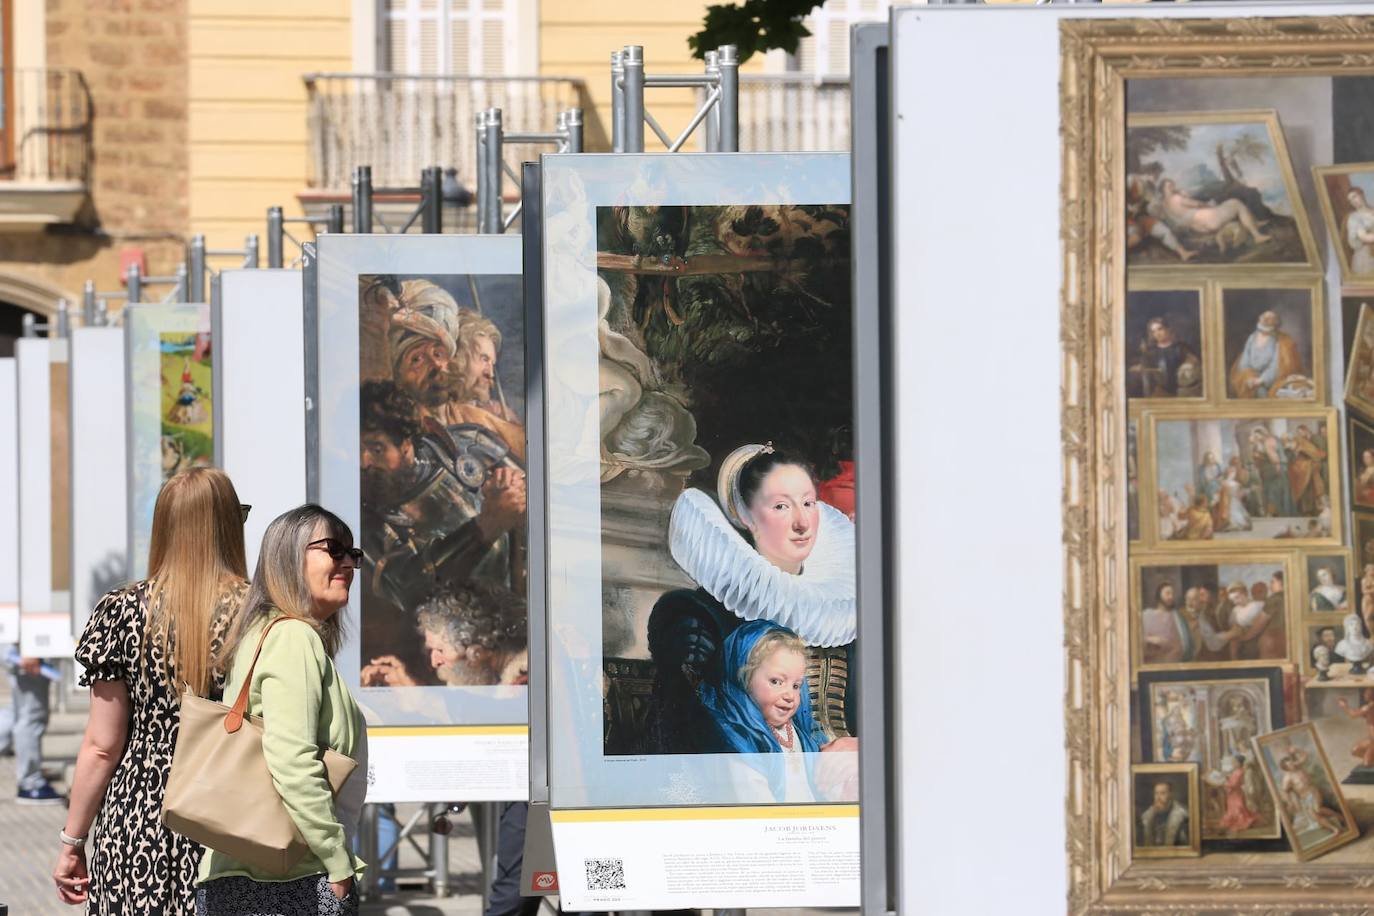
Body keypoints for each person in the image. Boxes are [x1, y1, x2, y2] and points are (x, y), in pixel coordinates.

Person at [53, 468, 250, 912]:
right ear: (228, 527)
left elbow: (103, 746)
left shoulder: (122, 610)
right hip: (232, 816)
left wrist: (72, 840)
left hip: (139, 815)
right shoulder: (259, 613)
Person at [197, 505, 367, 914]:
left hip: (249, 874)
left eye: (353, 554)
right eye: (333, 549)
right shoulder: (292, 637)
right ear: (288, 556)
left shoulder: (267, 631)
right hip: (287, 881)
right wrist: (338, 863)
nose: (348, 562)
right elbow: (292, 759)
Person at [645, 444, 857, 762]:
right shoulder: (697, 615)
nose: (803, 523)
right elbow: (697, 731)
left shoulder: (843, 615)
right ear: (746, 515)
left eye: (808, 503)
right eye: (781, 507)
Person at [358, 379, 526, 612]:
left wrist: (512, 488)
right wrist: (487, 526)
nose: (363, 462)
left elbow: (538, 498)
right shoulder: (363, 516)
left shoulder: (469, 444)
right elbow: (407, 588)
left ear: (406, 444)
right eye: (357, 450)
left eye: (376, 449)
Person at [360, 583, 528, 687]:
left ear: (479, 651)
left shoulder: (522, 683)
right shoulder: (504, 679)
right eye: (432, 651)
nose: (434, 662)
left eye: (440, 650)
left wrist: (421, 700)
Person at [1, 646, 60, 804]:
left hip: (23, 645)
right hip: (27, 646)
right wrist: (30, 648)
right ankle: (30, 784)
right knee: (31, 716)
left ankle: (30, 781)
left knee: (17, 714)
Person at [1159, 177, 1271, 247]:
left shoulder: (1164, 204)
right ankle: (1257, 236)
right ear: (1163, 188)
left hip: (1200, 227)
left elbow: (1179, 217)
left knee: (1223, 204)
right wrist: (1208, 205)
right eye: (1169, 185)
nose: (1172, 187)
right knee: (1235, 202)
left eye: (1172, 185)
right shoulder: (1176, 198)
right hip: (1211, 220)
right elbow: (1197, 204)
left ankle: (1253, 223)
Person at [1230, 311, 1307, 400]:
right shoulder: (1252, 338)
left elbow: (1276, 367)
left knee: (1261, 392)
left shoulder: (1280, 341)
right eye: (1263, 319)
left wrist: (1261, 380)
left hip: (1272, 380)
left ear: (1274, 326)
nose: (1263, 332)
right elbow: (1244, 362)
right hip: (1250, 377)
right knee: (1249, 390)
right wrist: (1249, 377)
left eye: (1269, 321)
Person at [1128, 316, 1202, 398]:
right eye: (1153, 331)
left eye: (1160, 329)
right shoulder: (1151, 352)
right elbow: (1148, 369)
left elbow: (1194, 365)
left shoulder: (1181, 348)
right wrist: (1141, 368)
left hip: (1182, 392)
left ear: (1167, 329)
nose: (1157, 334)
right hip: (1159, 393)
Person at [1203, 755, 1259, 834]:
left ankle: (1244, 822)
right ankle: (1235, 822)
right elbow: (1231, 780)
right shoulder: (1236, 771)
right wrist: (1226, 778)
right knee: (1232, 808)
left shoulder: (1240, 771)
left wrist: (1223, 782)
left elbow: (1234, 784)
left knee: (1239, 808)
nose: (1233, 763)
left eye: (1234, 762)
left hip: (1236, 793)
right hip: (1231, 794)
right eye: (1233, 762)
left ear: (1239, 763)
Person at [1285, 425, 1327, 516]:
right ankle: (1305, 509)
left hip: (1313, 467)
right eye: (1298, 433)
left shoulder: (1314, 439)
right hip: (1305, 468)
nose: (1299, 435)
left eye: (1300, 432)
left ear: (1306, 430)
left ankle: (1313, 509)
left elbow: (1317, 453)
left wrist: (1303, 451)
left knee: (1312, 488)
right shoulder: (1301, 441)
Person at [1138, 779, 1191, 847]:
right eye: (1156, 793)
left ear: (1170, 795)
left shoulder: (1182, 815)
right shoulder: (1147, 816)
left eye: (1163, 793)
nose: (1158, 797)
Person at [1347, 187, 1374, 274]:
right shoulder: (1354, 217)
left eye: (1354, 196)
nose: (1353, 201)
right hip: (1366, 254)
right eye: (1350, 200)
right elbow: (1364, 237)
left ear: (1361, 194)